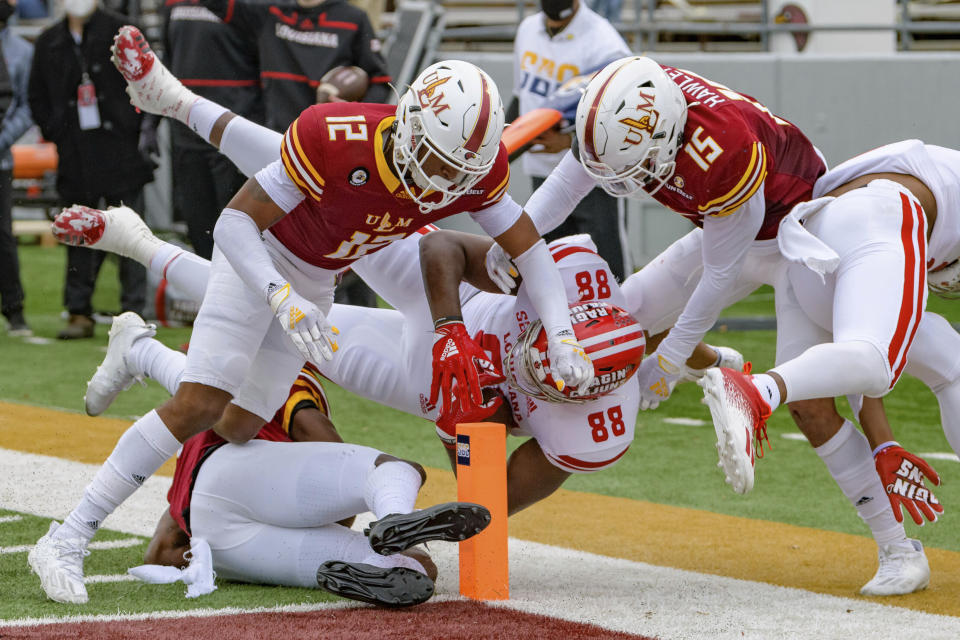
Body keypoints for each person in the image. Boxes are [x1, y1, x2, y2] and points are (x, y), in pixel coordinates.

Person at [27, 27, 592, 604]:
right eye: (435, 163)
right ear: (408, 123)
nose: (443, 183)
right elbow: (234, 222)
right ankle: (67, 536)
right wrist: (279, 295)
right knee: (200, 401)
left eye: (457, 172)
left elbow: (528, 247)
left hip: (320, 276)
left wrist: (565, 333)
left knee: (238, 423)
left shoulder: (469, 164)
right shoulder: (337, 135)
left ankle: (142, 348)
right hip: (264, 254)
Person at [487, 56, 942, 596]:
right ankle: (719, 366)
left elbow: (722, 275)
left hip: (794, 237)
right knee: (617, 320)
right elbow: (567, 187)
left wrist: (668, 364)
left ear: (669, 137)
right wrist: (516, 237)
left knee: (811, 406)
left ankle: (898, 550)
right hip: (725, 233)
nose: (625, 182)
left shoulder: (724, 150)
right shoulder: (621, 110)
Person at [700, 139, 960, 595]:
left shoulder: (914, 165)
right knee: (892, 362)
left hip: (805, 242)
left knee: (815, 403)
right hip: (879, 217)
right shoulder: (924, 197)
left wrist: (884, 444)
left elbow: (858, 327)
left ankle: (899, 553)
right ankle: (759, 391)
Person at [129, 362, 487, 608]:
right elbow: (313, 432)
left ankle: (382, 559)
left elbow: (160, 553)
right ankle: (395, 516)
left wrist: (215, 559)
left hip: (215, 539)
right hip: (233, 474)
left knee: (417, 570)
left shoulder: (206, 380)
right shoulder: (273, 364)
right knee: (397, 470)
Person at [27, 1, 154, 339]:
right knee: (78, 232)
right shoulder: (49, 40)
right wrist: (57, 129)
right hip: (75, 150)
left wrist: (134, 126)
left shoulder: (123, 32)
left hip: (121, 148)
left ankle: (135, 311)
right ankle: (78, 310)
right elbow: (36, 95)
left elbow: (148, 80)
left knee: (132, 231)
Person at [509, 0, 629, 280]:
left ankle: (624, 322)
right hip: (541, 169)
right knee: (553, 268)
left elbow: (618, 113)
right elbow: (522, 96)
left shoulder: (605, 41)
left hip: (591, 173)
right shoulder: (527, 29)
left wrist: (567, 142)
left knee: (607, 265)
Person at [159, 0, 263, 259]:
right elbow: (169, 63)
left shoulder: (249, 6)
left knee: (235, 225)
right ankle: (208, 294)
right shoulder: (172, 3)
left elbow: (264, 61)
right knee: (198, 224)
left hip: (232, 132)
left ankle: (241, 295)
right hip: (186, 130)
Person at [200, 0, 391, 133]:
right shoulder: (270, 12)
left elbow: (380, 83)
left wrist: (351, 111)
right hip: (276, 137)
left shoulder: (353, 18)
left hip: (327, 139)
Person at [0, 0, 33, 337]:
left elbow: (27, 105)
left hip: (1, 158)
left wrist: (2, 138)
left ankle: (15, 310)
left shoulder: (21, 51)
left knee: (3, 236)